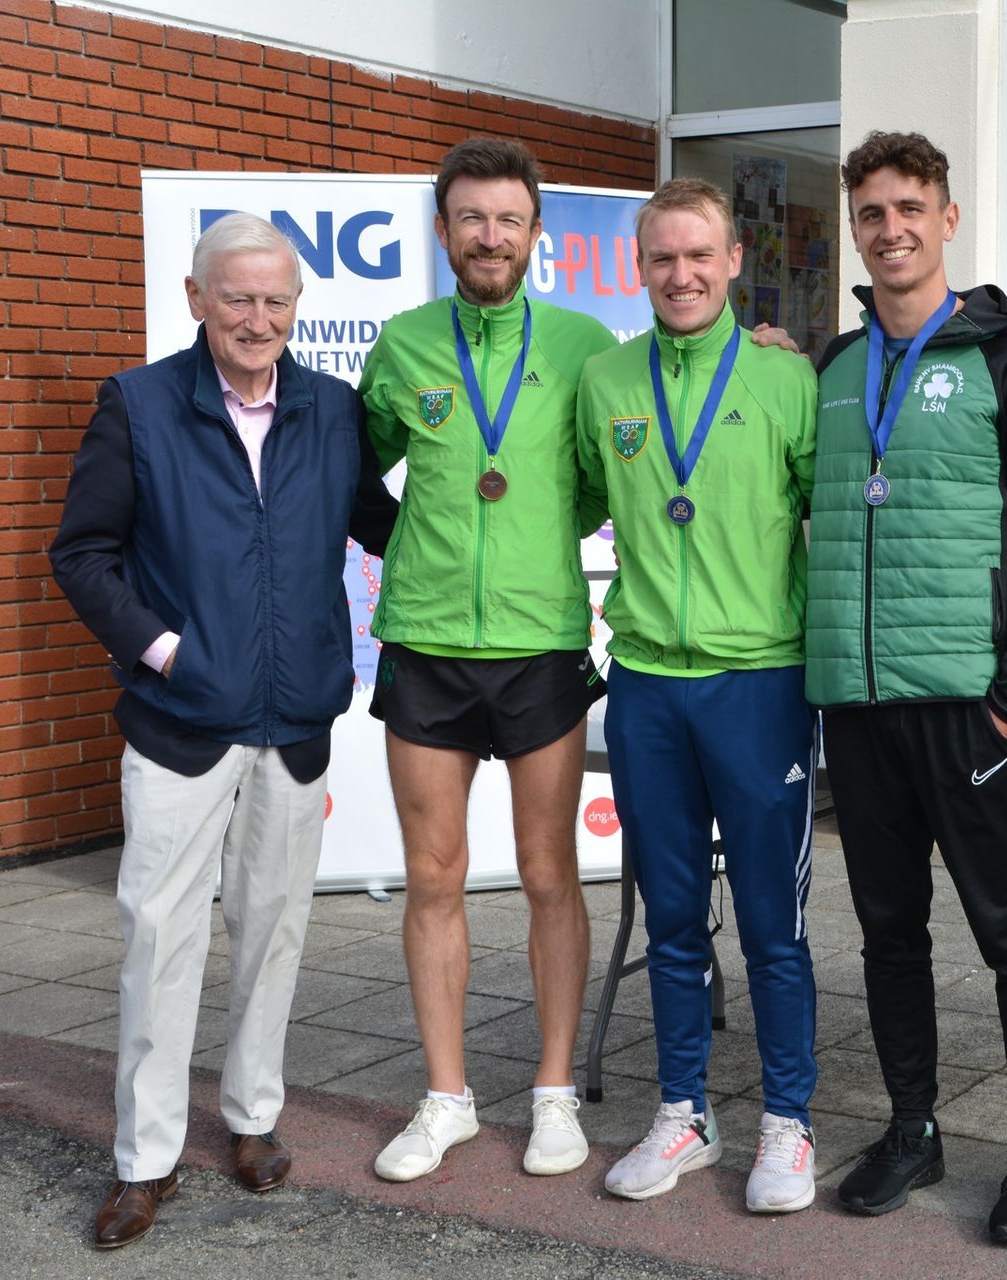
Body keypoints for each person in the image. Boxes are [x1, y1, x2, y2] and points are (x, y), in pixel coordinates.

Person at [50, 213, 399, 1249]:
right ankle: (144, 1158)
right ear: (197, 298)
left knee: (273, 928)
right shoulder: (138, 404)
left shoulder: (332, 408)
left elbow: (383, 525)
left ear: (298, 306)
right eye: (237, 297)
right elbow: (81, 554)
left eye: (276, 299)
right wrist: (166, 652)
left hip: (294, 721)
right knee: (161, 937)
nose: (258, 318)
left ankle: (252, 1116)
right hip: (179, 723)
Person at [806, 131, 1007, 1246]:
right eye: (872, 213)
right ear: (855, 229)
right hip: (860, 706)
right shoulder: (831, 367)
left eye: (910, 208)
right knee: (889, 934)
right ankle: (913, 1128)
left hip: (972, 708)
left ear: (948, 219)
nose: (891, 229)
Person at [358, 138, 617, 1182]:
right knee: (433, 875)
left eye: (509, 219)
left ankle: (554, 1094)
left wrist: (534, 542)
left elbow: (600, 481)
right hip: (425, 643)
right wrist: (415, 546)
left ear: (535, 232)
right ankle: (447, 1097)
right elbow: (355, 471)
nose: (490, 236)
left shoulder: (583, 346)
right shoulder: (405, 344)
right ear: (443, 230)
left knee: (550, 872)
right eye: (471, 218)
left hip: (540, 642)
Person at [574, 178, 821, 1212]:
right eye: (663, 258)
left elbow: (828, 515)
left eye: (699, 256)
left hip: (759, 683)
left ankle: (789, 1121)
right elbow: (579, 497)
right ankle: (685, 1112)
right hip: (647, 685)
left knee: (772, 921)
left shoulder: (785, 378)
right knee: (671, 915)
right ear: (641, 267)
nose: (682, 274)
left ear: (733, 263)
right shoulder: (605, 379)